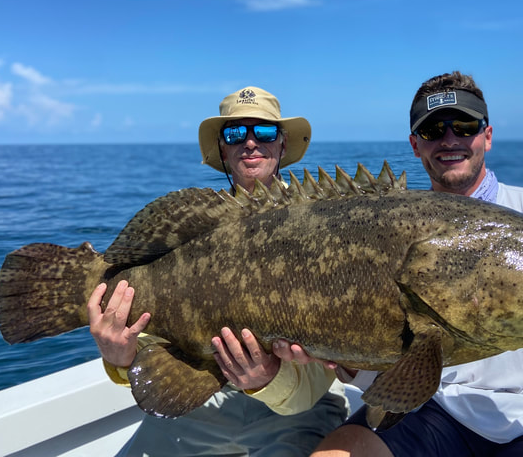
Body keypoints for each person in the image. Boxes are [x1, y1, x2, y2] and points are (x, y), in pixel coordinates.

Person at [307, 71, 523, 456]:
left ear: (487, 135)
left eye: (465, 126)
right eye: (433, 130)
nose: (450, 139)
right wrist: (343, 358)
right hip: (429, 412)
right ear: (416, 145)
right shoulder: (392, 226)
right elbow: (390, 378)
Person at [87, 86, 349, 456]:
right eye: (235, 133)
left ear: (283, 143)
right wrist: (119, 358)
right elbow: (151, 343)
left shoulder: (325, 222)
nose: (251, 143)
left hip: (300, 408)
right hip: (201, 404)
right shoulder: (194, 227)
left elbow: (325, 363)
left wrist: (268, 377)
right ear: (223, 149)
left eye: (265, 131)